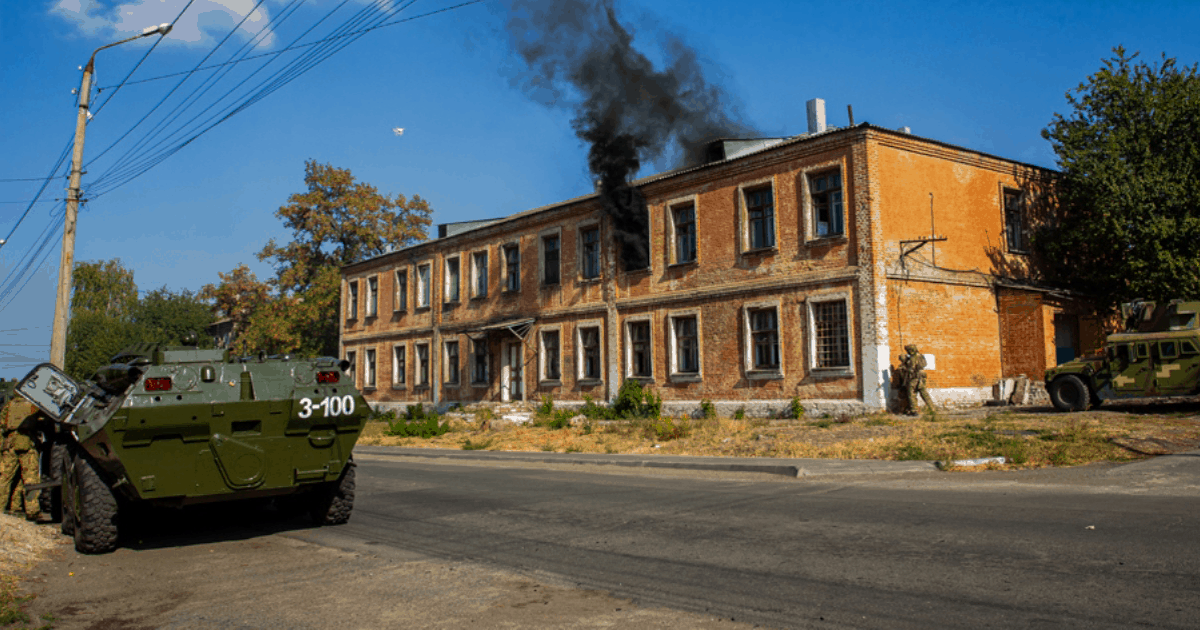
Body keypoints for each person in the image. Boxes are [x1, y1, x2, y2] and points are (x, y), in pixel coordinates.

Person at [1, 394, 44, 521]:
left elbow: (2, 423)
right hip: (27, 442)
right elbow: (41, 421)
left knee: (5, 478)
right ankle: (32, 510)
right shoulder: (33, 405)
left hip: (10, 443)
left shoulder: (9, 405)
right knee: (30, 478)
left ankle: (3, 508)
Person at [897, 345, 936, 416]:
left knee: (911, 394)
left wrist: (904, 362)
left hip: (914, 378)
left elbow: (910, 369)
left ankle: (913, 410)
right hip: (922, 378)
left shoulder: (912, 358)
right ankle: (932, 408)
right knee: (924, 394)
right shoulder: (920, 356)